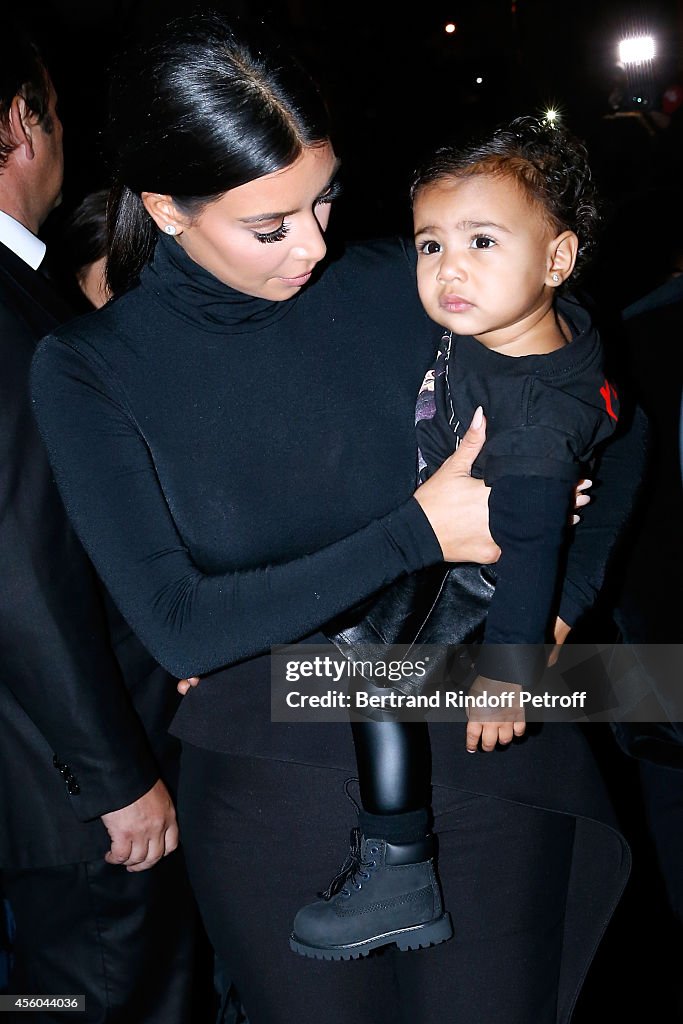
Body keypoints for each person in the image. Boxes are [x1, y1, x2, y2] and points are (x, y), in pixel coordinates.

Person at [30, 11, 645, 1024]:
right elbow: (179, 622)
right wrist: (422, 528)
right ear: (167, 209)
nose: (312, 244)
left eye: (323, 202)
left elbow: (614, 430)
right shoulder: (94, 369)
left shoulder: (401, 289)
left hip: (482, 756)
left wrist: (548, 621)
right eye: (268, 226)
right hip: (272, 792)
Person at [290, 115, 620, 959]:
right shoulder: (520, 328)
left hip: (475, 572)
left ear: (556, 259)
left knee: (372, 676)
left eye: (479, 240)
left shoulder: (536, 426)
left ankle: (396, 863)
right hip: (452, 535)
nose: (449, 270)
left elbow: (536, 550)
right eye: (429, 245)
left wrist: (511, 674)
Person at [0, 21, 203, 1022]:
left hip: (50, 781)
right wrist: (118, 777)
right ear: (19, 123)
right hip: (80, 793)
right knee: (99, 1000)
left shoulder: (25, 295)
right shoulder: (8, 311)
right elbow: (16, 561)